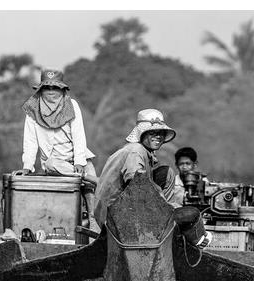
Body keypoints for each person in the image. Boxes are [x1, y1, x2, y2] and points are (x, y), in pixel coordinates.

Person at [94, 109, 212, 248]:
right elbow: (138, 186)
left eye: (161, 133)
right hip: (115, 218)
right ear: (141, 133)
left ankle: (174, 226)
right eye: (152, 133)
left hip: (126, 211)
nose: (158, 137)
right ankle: (187, 237)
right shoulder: (135, 151)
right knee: (191, 215)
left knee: (166, 173)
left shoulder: (145, 154)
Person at [18, 69, 98, 227]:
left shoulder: (71, 105)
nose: (51, 92)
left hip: (77, 159)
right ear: (41, 90)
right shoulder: (32, 109)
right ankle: (88, 180)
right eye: (47, 88)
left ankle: (94, 221)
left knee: (94, 197)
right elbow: (30, 141)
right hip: (55, 163)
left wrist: (80, 162)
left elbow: (79, 135)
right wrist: (27, 167)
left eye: (55, 88)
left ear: (62, 90)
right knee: (52, 163)